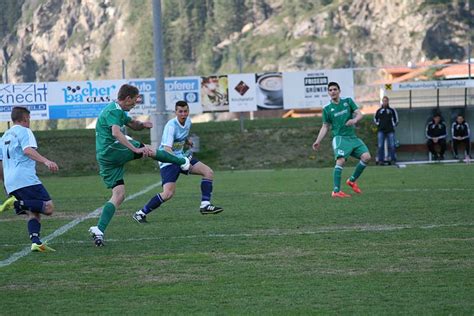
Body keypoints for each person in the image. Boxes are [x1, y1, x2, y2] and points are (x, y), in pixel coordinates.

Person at [89, 84, 190, 247]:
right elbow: (116, 132)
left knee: (119, 194)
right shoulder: (114, 111)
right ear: (127, 98)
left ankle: (99, 229)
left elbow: (132, 124)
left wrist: (142, 125)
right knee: (148, 149)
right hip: (112, 150)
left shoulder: (118, 111)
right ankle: (183, 162)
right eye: (135, 100)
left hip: (105, 158)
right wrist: (135, 149)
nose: (135, 103)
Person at [132, 100, 223, 224]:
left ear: (188, 111)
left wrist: (187, 142)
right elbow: (166, 149)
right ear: (176, 112)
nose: (183, 114)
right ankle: (140, 213)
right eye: (180, 111)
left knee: (208, 172)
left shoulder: (188, 122)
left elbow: (182, 135)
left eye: (185, 111)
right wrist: (180, 162)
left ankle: (205, 205)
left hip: (181, 157)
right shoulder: (171, 126)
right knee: (168, 193)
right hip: (167, 160)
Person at [0, 106, 59, 252]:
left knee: (34, 211)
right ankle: (16, 203)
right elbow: (27, 150)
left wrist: (5, 184)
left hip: (11, 181)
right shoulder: (25, 131)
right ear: (25, 118)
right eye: (29, 119)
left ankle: (36, 242)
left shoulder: (4, 137)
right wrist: (46, 161)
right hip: (25, 178)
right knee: (48, 207)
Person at [312, 82, 371, 198]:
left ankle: (352, 181)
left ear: (339, 91)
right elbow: (325, 126)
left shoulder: (348, 101)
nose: (333, 92)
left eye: (335, 89)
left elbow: (359, 114)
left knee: (366, 157)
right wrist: (317, 141)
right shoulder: (327, 109)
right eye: (330, 90)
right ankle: (336, 191)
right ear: (328, 93)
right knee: (340, 161)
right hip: (340, 138)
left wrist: (354, 120)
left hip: (352, 137)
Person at [374, 96, 398, 165]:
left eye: (386, 101)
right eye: (383, 101)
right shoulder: (379, 111)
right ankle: (381, 160)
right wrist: (379, 125)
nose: (385, 102)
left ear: (388, 102)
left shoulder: (392, 110)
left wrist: (393, 125)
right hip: (381, 131)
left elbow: (396, 120)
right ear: (382, 101)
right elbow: (375, 119)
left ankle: (392, 159)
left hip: (390, 131)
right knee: (380, 146)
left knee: (392, 145)